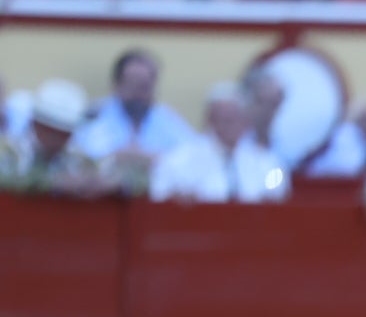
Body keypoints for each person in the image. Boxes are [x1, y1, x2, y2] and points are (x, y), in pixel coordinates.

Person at [67, 50, 194, 189]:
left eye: (145, 86)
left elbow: (191, 159)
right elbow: (76, 158)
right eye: (132, 85)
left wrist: (153, 160)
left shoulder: (167, 118)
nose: (138, 93)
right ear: (116, 85)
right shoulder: (94, 115)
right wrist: (115, 157)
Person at [148, 82, 286, 204]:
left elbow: (276, 196)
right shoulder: (179, 159)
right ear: (209, 121)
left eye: (234, 118)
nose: (227, 126)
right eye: (221, 118)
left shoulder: (265, 161)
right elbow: (161, 195)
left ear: (245, 120)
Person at [1, 79, 110, 196]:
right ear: (36, 125)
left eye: (66, 132)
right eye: (53, 130)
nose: (60, 138)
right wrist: (55, 181)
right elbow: (10, 180)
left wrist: (98, 182)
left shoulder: (78, 158)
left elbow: (111, 175)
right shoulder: (9, 151)